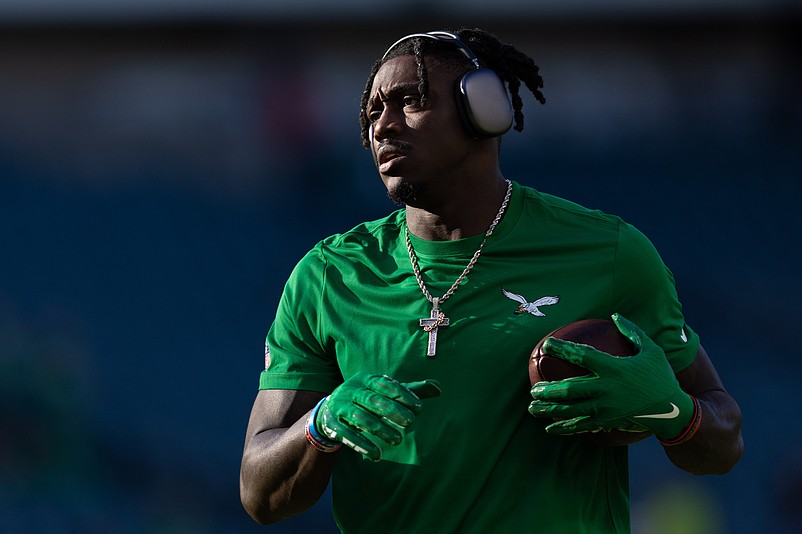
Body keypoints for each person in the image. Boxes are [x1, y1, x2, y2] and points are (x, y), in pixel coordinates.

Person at [239, 28, 743, 532]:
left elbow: (723, 443)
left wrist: (671, 411)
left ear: (485, 110)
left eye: (410, 101)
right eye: (373, 113)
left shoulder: (609, 252)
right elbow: (259, 495)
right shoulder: (328, 274)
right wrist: (319, 424)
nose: (383, 126)